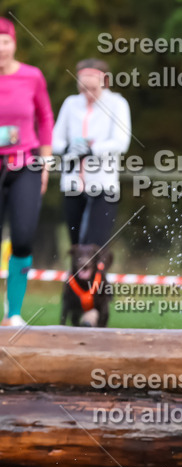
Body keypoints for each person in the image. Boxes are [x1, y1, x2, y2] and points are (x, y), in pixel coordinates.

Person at [0, 17, 53, 327]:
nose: (0, 49)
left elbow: (45, 118)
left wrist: (46, 162)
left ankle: (13, 313)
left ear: (14, 43)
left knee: (22, 237)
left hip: (27, 164)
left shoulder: (32, 76)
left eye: (4, 42)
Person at [52, 58, 131, 247]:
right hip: (72, 184)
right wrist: (68, 149)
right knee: (76, 246)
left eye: (93, 89)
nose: (87, 94)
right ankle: (75, 277)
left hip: (103, 185)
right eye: (83, 89)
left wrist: (91, 150)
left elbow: (121, 142)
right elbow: (55, 139)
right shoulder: (71, 103)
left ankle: (97, 277)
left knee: (94, 247)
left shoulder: (117, 104)